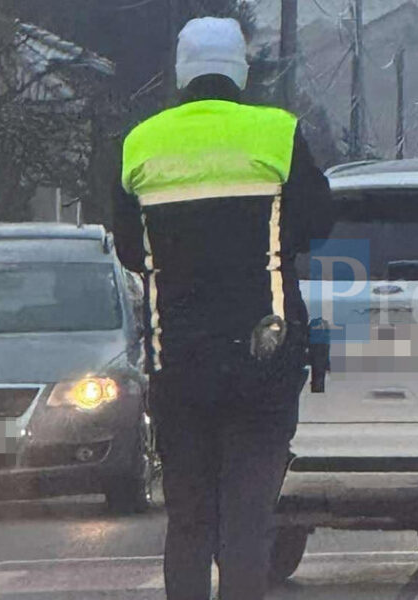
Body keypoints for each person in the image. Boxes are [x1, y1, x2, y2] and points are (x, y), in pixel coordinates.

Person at [111, 17, 333, 600]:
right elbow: (318, 223)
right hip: (265, 355)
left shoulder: (140, 144)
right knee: (246, 520)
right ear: (243, 67)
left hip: (177, 360)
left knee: (188, 520)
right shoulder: (277, 133)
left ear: (181, 71)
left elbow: (132, 249)